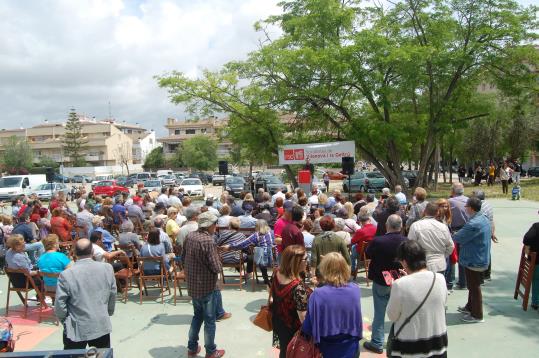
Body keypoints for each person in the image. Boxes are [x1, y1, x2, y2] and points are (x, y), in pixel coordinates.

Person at [386, 240, 448, 357]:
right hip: (438, 344)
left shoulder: (400, 284)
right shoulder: (440, 278)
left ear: (404, 262)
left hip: (412, 347)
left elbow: (392, 315)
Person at [55, 238, 117, 349]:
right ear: (92, 251)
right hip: (100, 322)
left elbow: (60, 304)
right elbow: (112, 293)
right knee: (102, 355)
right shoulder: (107, 268)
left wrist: (65, 321)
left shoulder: (66, 275)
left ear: (74, 253)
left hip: (76, 326)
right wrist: (107, 312)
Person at [302, 252, 362, 357]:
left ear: (324, 269)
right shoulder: (355, 289)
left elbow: (308, 327)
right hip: (350, 348)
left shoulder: (317, 294)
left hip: (326, 349)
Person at [182, 211, 226, 358]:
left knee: (197, 316)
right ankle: (211, 351)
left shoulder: (190, 236)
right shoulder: (208, 241)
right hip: (207, 287)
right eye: (215, 224)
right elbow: (216, 267)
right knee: (209, 321)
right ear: (209, 226)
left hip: (193, 285)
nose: (216, 226)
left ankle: (192, 348)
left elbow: (183, 258)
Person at [362, 215, 407, 354]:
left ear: (387, 225)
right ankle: (400, 342)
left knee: (380, 313)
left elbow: (367, 253)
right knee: (402, 313)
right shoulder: (406, 241)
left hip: (381, 280)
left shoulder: (378, 241)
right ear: (401, 226)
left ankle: (377, 342)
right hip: (401, 279)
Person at [453, 197, 491, 323]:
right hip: (479, 257)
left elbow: (459, 238)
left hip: (474, 260)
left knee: (474, 287)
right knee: (472, 285)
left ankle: (477, 315)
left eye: (466, 206)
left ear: (471, 208)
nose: (465, 208)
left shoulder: (474, 223)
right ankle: (470, 307)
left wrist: (453, 234)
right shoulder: (483, 218)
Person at [271, 245, 311, 358]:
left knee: (284, 350)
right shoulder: (298, 288)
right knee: (293, 352)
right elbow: (303, 318)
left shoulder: (277, 273)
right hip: (293, 329)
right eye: (305, 259)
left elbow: (270, 291)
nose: (307, 262)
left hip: (279, 321)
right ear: (296, 262)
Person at [408, 203, 454, 273]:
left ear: (424, 211)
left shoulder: (415, 226)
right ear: (437, 213)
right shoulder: (443, 227)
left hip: (422, 264)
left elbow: (410, 246)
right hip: (439, 264)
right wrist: (442, 256)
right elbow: (451, 246)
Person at [311, 216, 351, 283]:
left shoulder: (316, 240)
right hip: (336, 272)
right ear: (333, 225)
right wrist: (348, 274)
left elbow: (313, 259)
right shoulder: (339, 239)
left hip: (321, 273)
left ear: (321, 226)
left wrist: (313, 275)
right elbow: (347, 258)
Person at [449, 182, 469, 289]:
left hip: (454, 231)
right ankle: (463, 282)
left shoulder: (450, 201)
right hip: (466, 230)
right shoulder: (468, 200)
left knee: (451, 256)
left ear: (452, 191)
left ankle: (450, 281)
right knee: (463, 256)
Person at [523, 212, 539, 310]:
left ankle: (536, 302)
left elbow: (528, 238)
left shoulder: (536, 226)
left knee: (536, 279)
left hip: (536, 261)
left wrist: (527, 249)